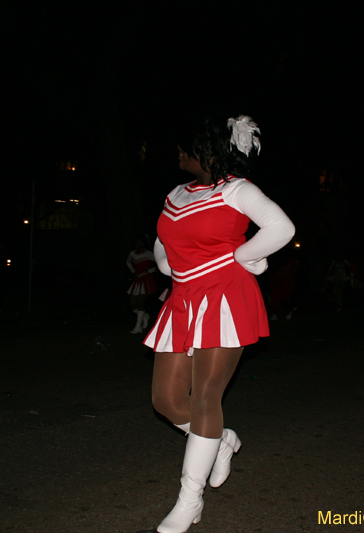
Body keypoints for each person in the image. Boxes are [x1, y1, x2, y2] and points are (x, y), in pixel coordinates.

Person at [139, 115, 294, 533]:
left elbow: (281, 227)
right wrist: (170, 268)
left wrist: (245, 257)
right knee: (166, 401)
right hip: (183, 302)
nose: (179, 150)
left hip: (226, 299)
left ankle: (190, 500)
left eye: (187, 145)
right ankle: (221, 439)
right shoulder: (176, 193)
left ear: (208, 152)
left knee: (207, 397)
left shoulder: (238, 190)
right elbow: (162, 242)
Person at [126, 234, 158, 333]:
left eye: (139, 242)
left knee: (140, 303)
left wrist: (150, 270)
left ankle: (138, 326)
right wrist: (132, 271)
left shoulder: (148, 254)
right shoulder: (132, 254)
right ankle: (144, 316)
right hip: (137, 280)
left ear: (143, 244)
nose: (137, 244)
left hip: (147, 280)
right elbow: (128, 262)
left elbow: (159, 262)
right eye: (136, 242)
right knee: (132, 303)